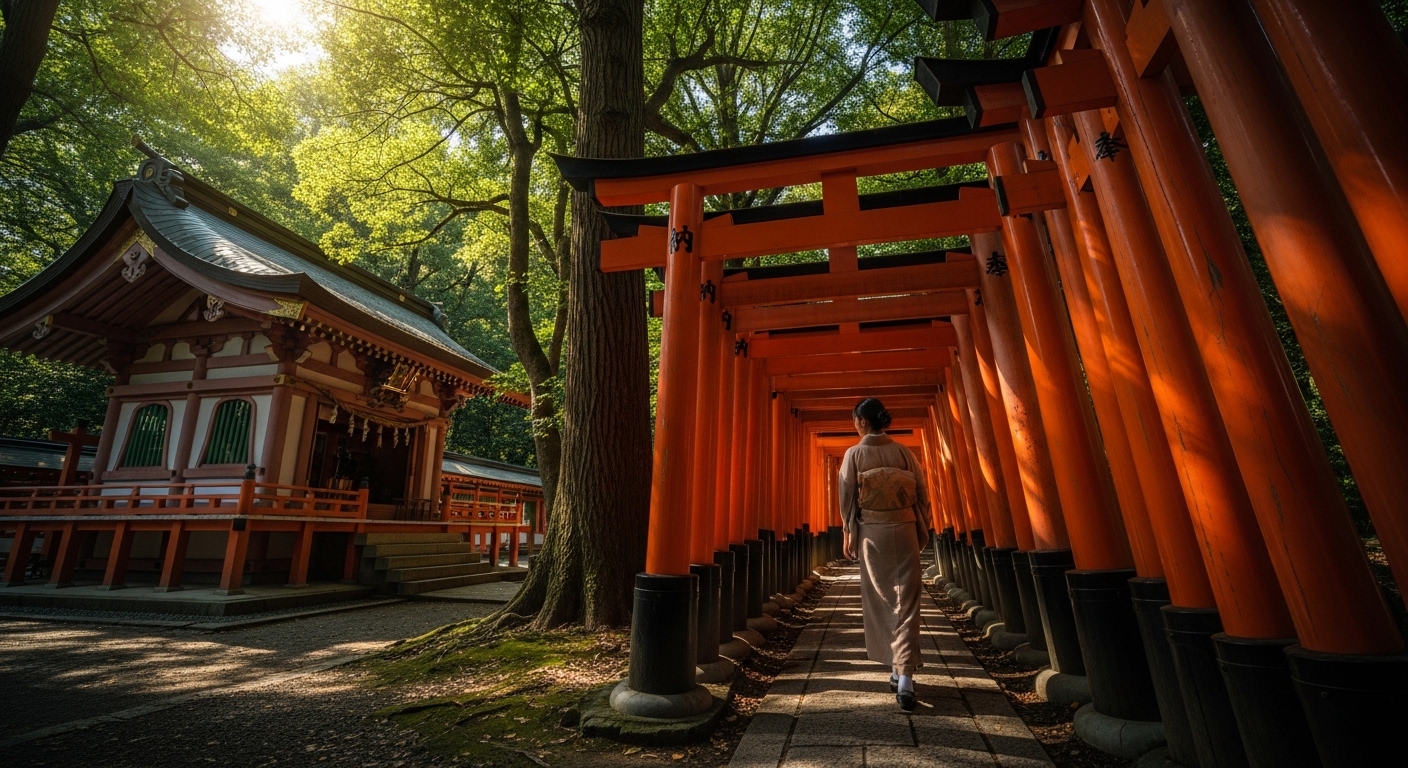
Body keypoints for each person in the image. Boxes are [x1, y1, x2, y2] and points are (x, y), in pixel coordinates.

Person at [839, 397, 930, 712]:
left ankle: (897, 667)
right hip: (904, 528)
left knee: (882, 601)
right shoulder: (904, 452)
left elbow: (847, 496)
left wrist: (848, 531)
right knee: (908, 601)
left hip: (873, 534)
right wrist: (921, 527)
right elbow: (921, 492)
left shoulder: (854, 454)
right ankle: (904, 677)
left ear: (862, 421)